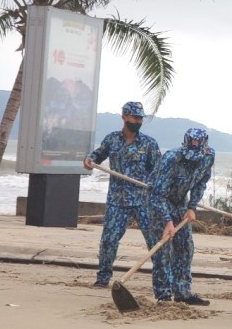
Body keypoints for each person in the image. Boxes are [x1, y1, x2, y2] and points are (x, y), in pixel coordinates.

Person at [83, 101, 160, 288]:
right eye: (135, 117)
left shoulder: (149, 143)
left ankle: (162, 281)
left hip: (143, 200)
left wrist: (150, 183)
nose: (138, 121)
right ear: (125, 117)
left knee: (155, 242)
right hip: (117, 200)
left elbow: (158, 170)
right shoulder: (112, 140)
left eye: (141, 118)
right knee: (109, 239)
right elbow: (98, 155)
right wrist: (89, 160)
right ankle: (103, 278)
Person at [145, 128, 215, 305]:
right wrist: (167, 221)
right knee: (163, 251)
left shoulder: (208, 156)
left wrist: (192, 207)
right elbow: (158, 194)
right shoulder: (172, 158)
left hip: (181, 202)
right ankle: (163, 295)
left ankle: (183, 292)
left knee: (185, 247)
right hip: (159, 202)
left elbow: (201, 182)